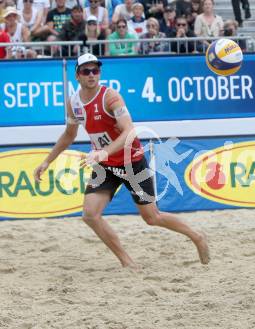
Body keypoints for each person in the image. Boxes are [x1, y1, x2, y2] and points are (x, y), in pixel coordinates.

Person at [34, 54, 210, 269]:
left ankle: (196, 236)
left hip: (131, 162)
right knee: (90, 215)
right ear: (77, 75)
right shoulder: (74, 103)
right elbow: (69, 135)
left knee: (152, 217)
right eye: (86, 71)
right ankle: (127, 262)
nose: (91, 75)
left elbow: (129, 131)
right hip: (105, 166)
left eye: (95, 70)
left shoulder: (110, 97)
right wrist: (47, 162)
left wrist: (103, 152)